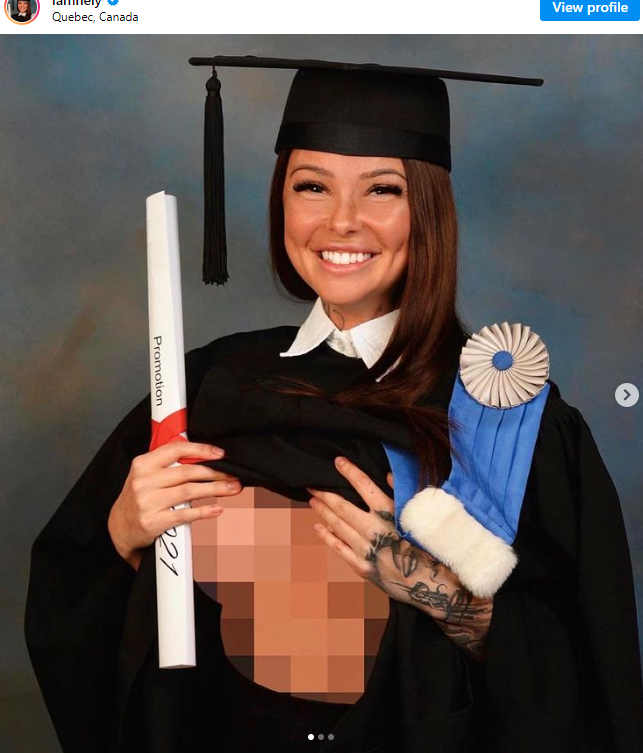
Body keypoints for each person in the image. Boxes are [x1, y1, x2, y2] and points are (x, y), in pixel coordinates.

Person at [25, 57, 643, 753]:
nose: (341, 221)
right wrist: (120, 529)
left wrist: (438, 592)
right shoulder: (210, 383)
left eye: (382, 189)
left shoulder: (507, 413)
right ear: (281, 202)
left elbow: (588, 671)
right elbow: (75, 607)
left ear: (428, 212)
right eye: (312, 186)